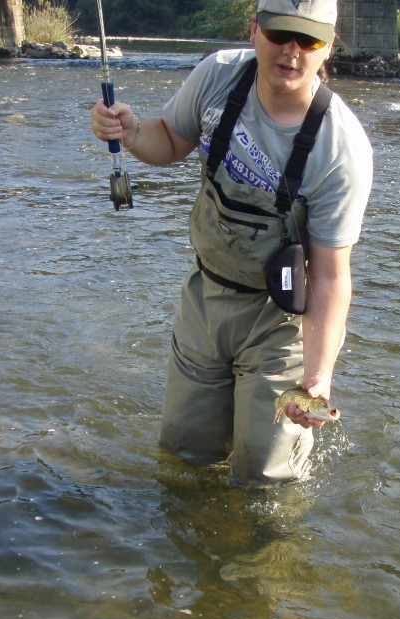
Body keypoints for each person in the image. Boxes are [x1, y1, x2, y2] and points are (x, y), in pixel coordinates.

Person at [90, 0, 372, 484]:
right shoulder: (217, 75)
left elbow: (329, 275)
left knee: (266, 478)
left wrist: (319, 377)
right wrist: (133, 132)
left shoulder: (342, 147)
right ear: (254, 28)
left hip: (279, 321)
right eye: (279, 33)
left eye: (308, 40)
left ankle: (265, 558)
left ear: (327, 47)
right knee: (183, 458)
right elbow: (169, 141)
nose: (291, 51)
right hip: (206, 298)